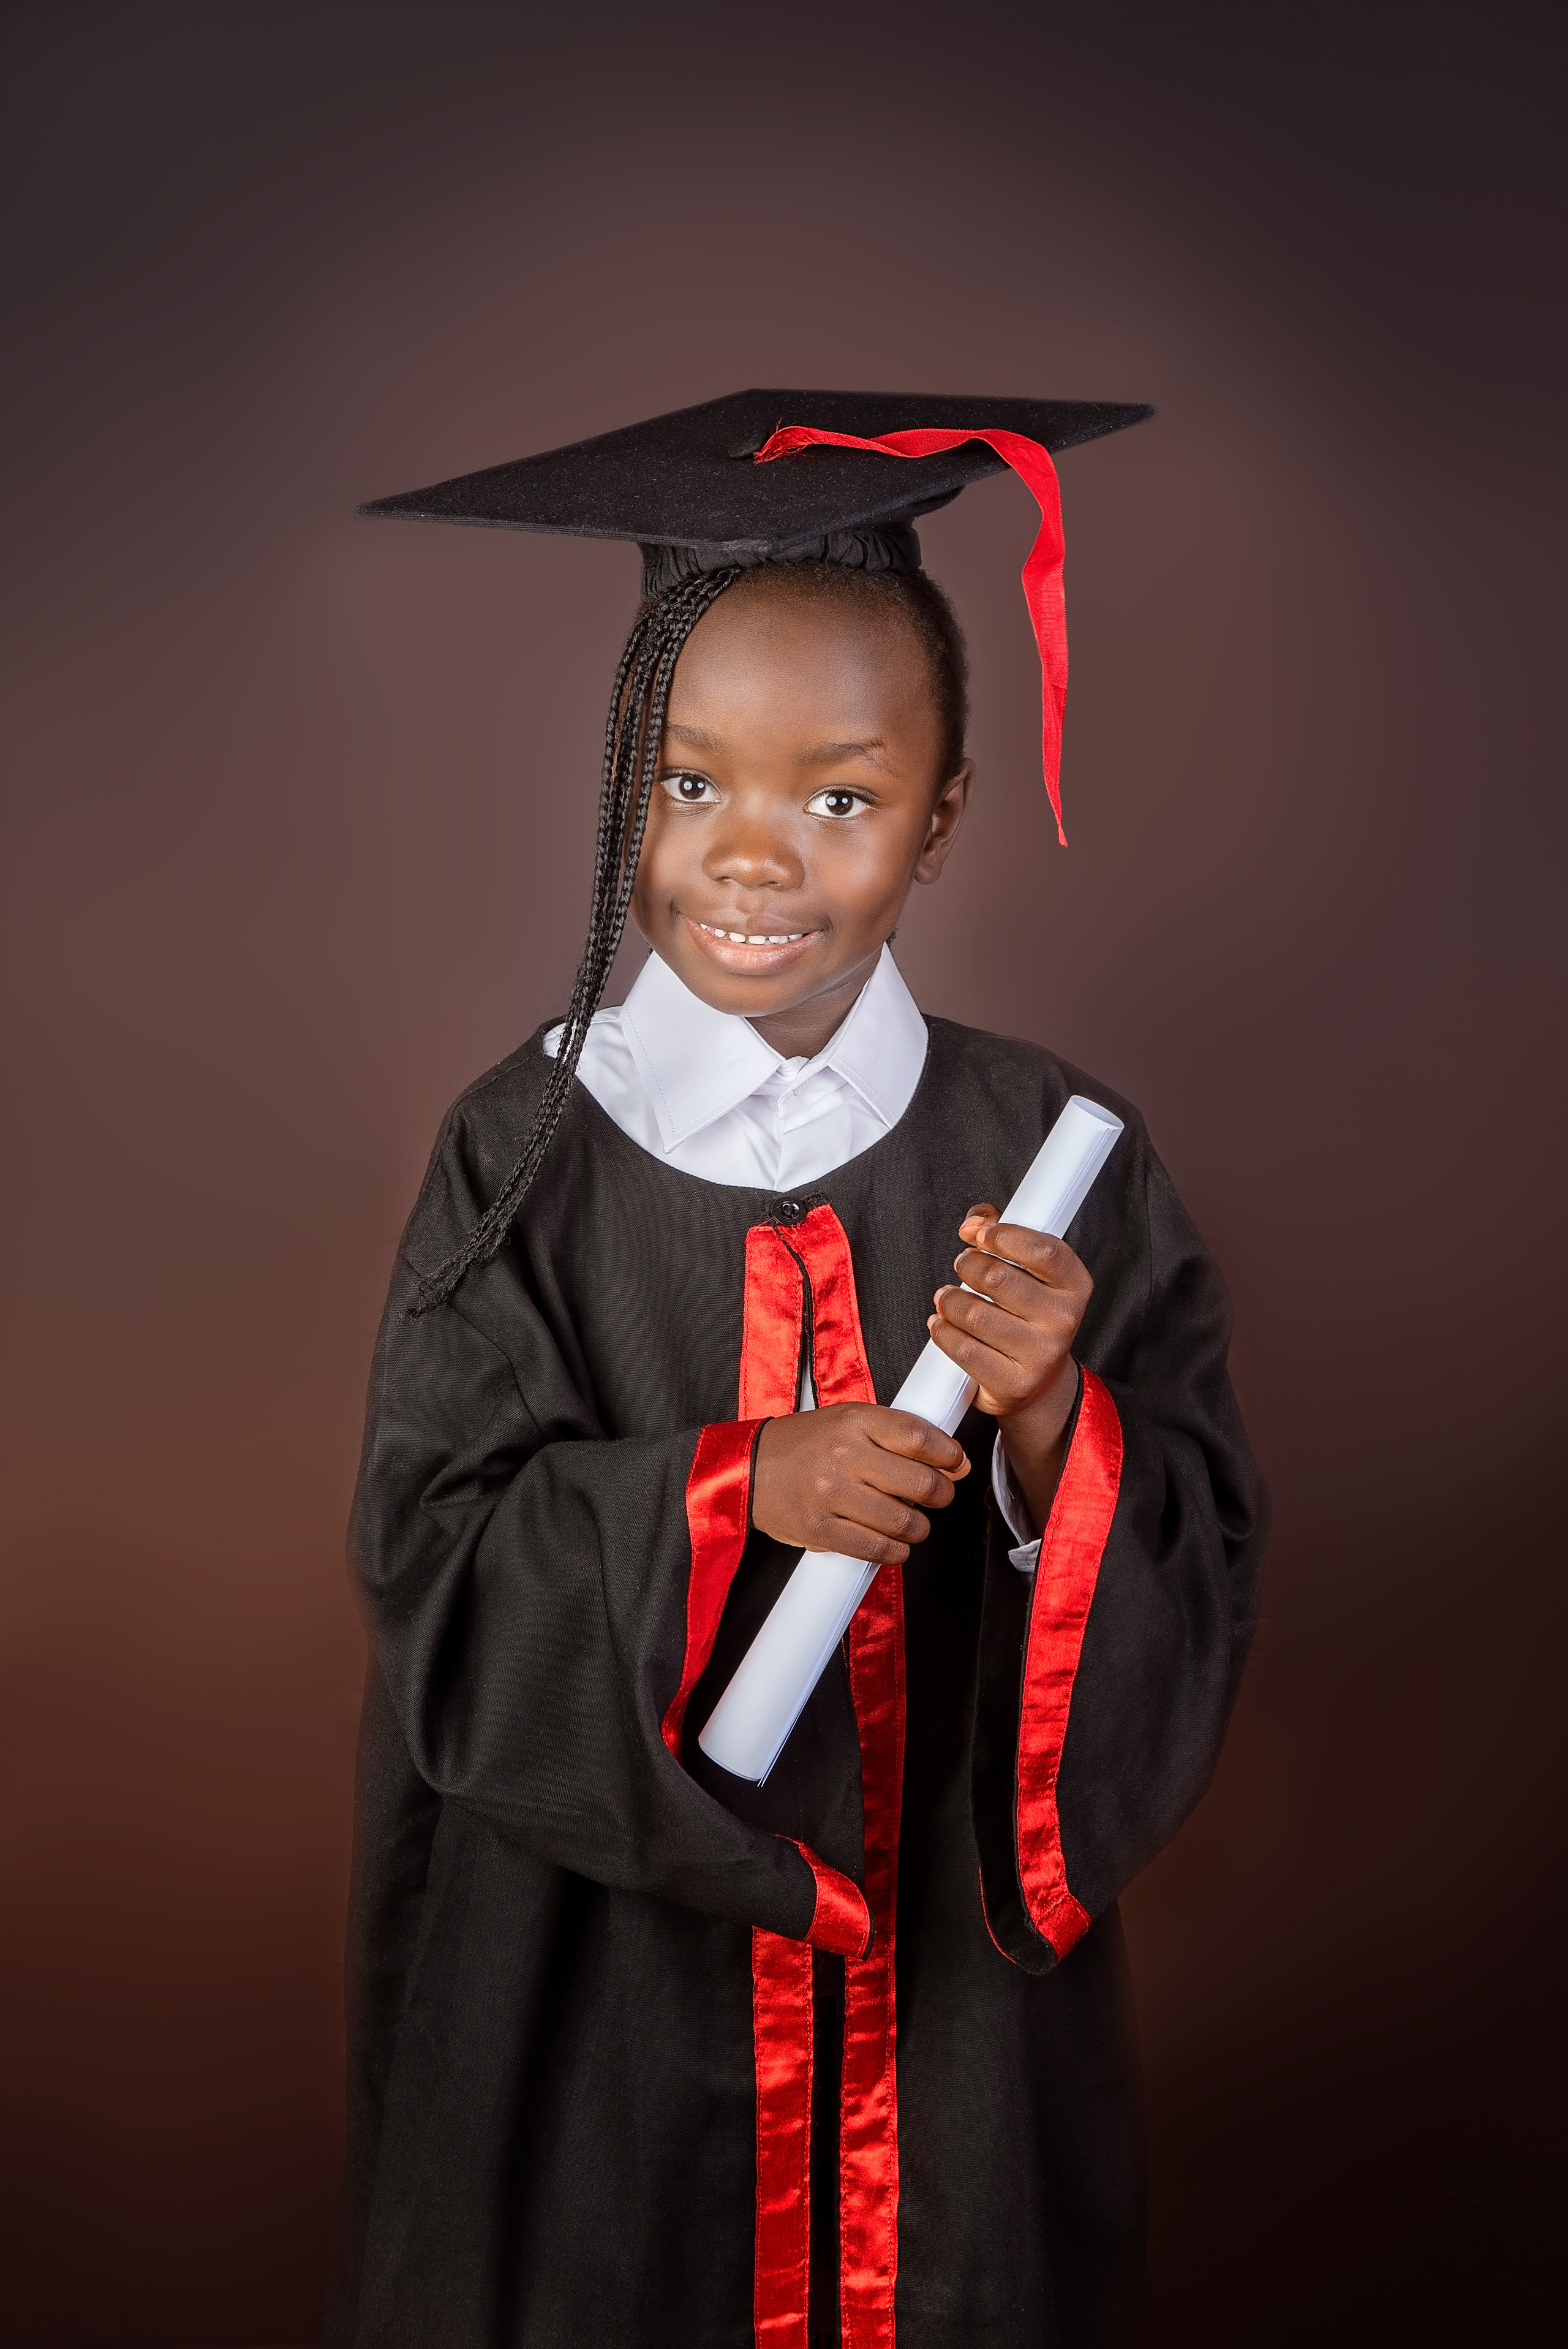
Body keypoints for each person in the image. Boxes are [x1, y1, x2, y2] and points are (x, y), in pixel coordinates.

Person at [326, 392, 1266, 2349]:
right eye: (688, 785)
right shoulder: (522, 1155)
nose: (749, 857)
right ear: (623, 786)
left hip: (941, 2008)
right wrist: (736, 1489)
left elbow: (1197, 1554)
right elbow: (433, 1565)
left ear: (944, 809)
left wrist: (1040, 1429)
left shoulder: (1054, 1146)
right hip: (595, 1990)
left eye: (836, 797)